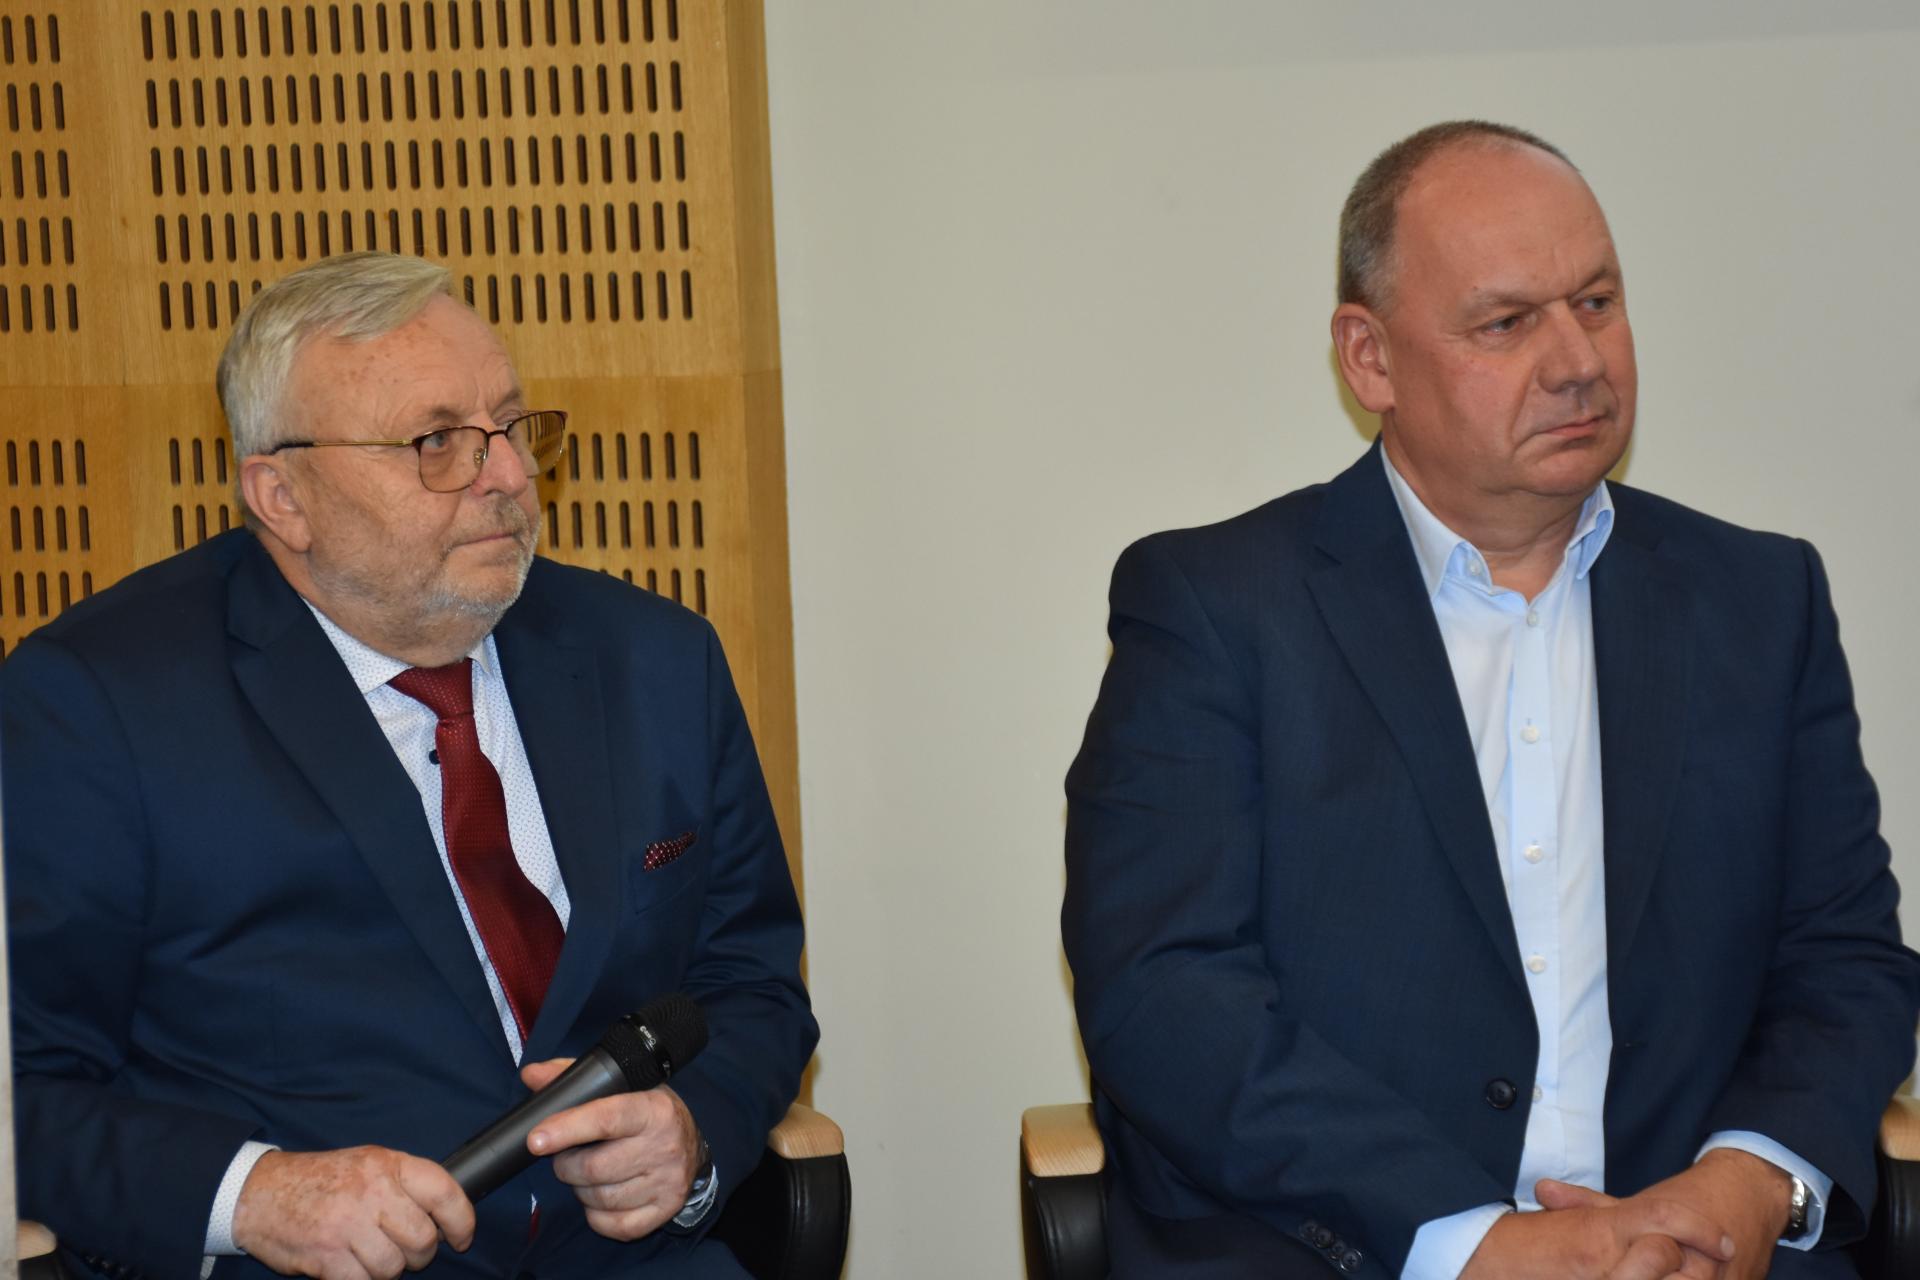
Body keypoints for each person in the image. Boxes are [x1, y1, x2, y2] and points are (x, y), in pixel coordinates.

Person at [1062, 121, 1920, 1280]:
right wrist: (1471, 1241)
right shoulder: (1217, 607)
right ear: (1370, 358)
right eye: (1507, 323)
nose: (1577, 360)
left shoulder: (1760, 600)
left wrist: (1748, 1180)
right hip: (1341, 1248)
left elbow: (1845, 959)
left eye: (1597, 302)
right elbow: (1166, 991)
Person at [3, 251, 817, 1279]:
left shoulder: (655, 659)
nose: (509, 476)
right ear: (282, 495)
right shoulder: (97, 702)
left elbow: (748, 982)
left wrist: (693, 1131)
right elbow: (24, 1086)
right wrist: (252, 1193)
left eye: (511, 426)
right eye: (438, 443)